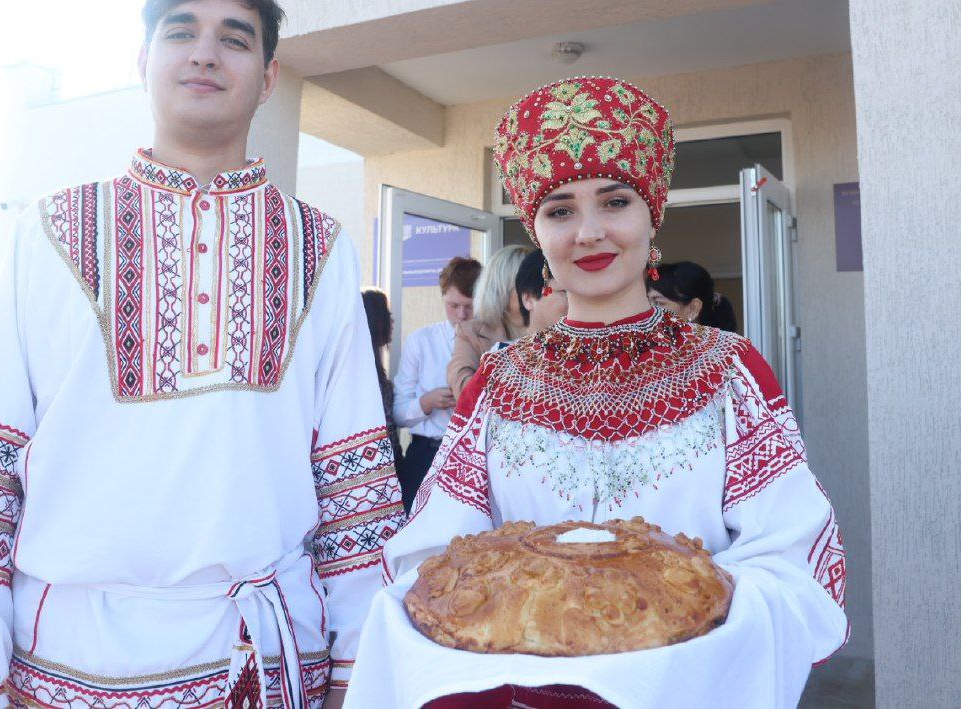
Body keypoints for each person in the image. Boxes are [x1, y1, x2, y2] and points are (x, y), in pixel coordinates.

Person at [0, 0, 402, 709]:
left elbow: (354, 486)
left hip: (267, 661)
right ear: (144, 62)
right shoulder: (48, 231)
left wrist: (356, 670)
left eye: (233, 39)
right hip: (69, 661)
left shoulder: (319, 246)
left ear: (268, 77)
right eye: (182, 31)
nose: (205, 53)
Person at [348, 77, 847, 708]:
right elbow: (436, 557)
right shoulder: (499, 383)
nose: (588, 232)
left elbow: (792, 556)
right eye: (559, 210)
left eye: (615, 202)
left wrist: (659, 626)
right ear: (537, 233)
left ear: (651, 215)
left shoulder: (728, 370)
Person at [392, 256, 480, 512]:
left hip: (472, 456)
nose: (461, 315)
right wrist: (425, 403)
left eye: (469, 307)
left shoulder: (492, 340)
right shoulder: (420, 341)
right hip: (426, 454)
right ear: (442, 297)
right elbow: (397, 413)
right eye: (453, 305)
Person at [447, 245, 530, 396]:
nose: (536, 291)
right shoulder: (470, 332)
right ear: (501, 289)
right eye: (526, 285)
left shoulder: (554, 329)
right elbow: (462, 386)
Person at [361, 287, 402, 468]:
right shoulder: (363, 370)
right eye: (387, 315)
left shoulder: (372, 365)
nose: (392, 321)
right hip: (379, 465)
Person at [647, 260, 739, 332]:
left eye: (659, 302)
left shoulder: (727, 353)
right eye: (647, 301)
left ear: (693, 308)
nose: (648, 309)